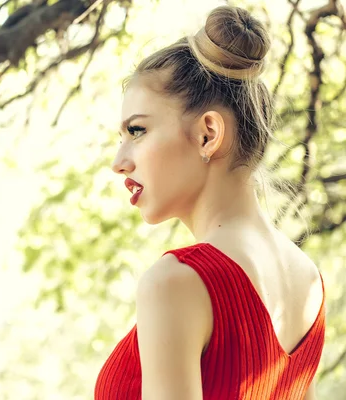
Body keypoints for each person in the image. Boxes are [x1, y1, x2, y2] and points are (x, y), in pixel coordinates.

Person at [94, 5, 325, 400]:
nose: (119, 163)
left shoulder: (174, 283)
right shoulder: (309, 282)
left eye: (137, 130)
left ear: (208, 134)